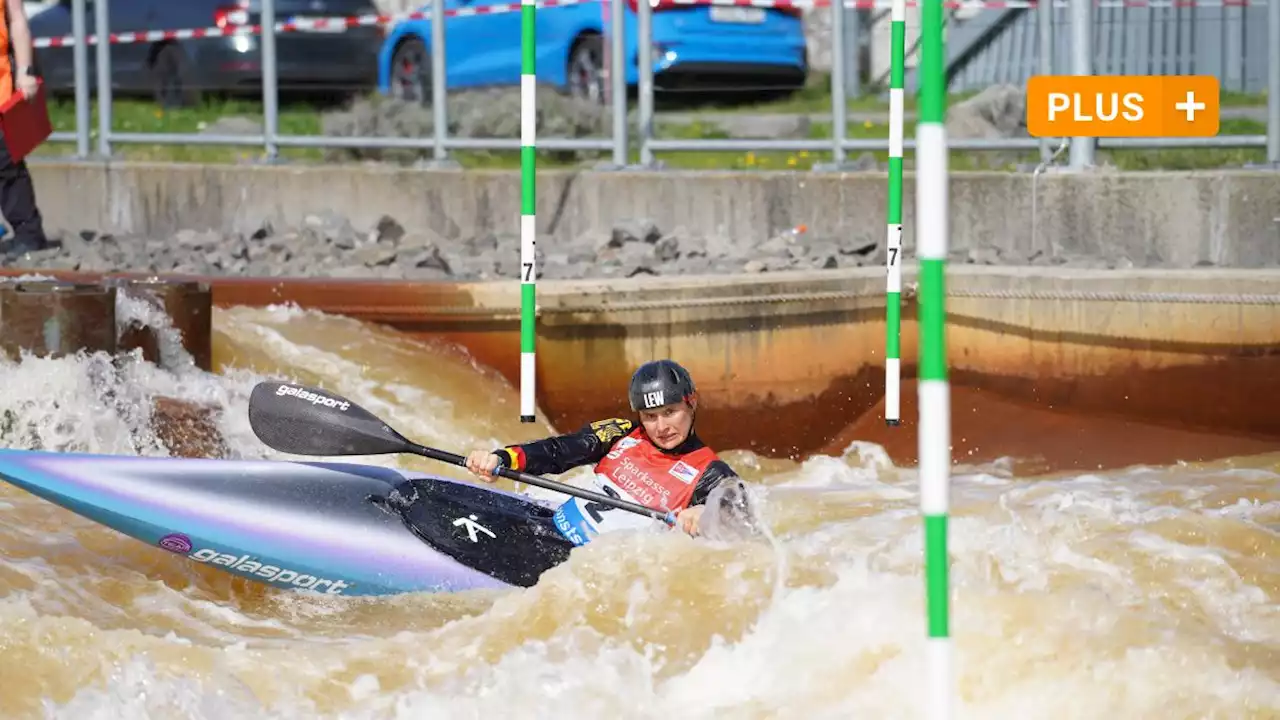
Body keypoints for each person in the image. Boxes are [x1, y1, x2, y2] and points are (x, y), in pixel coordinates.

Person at [464, 359, 746, 545]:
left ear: (691, 402)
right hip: (550, 527)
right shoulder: (620, 431)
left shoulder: (711, 473)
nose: (661, 427)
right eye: (649, 416)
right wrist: (503, 458)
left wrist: (705, 514)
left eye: (670, 412)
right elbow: (558, 451)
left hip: (589, 565)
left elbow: (740, 519)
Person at [0, 0, 49, 258]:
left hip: (2, 84)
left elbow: (17, 19)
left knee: (6, 163)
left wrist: (25, 71)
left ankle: (29, 235)